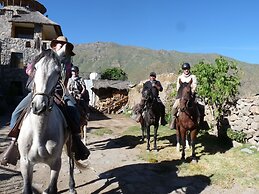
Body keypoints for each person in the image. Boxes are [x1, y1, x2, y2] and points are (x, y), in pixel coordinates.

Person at [0, 36, 90, 166]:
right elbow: (29, 69)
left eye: (66, 46)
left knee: (74, 110)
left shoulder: (68, 63)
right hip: (39, 91)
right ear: (55, 45)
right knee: (16, 113)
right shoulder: (43, 56)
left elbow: (66, 79)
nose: (63, 47)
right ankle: (14, 143)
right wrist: (34, 70)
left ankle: (76, 140)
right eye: (61, 44)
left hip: (60, 91)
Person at [169, 62, 198, 129]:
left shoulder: (193, 77)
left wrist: (192, 92)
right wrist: (181, 95)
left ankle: (201, 122)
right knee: (174, 107)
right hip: (181, 96)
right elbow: (178, 87)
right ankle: (173, 120)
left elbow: (195, 85)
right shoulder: (180, 77)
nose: (186, 70)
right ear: (183, 70)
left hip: (191, 95)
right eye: (185, 69)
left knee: (201, 106)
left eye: (187, 69)